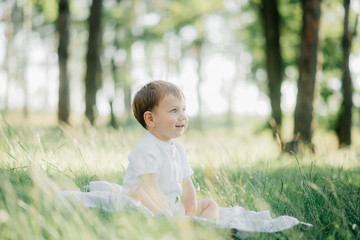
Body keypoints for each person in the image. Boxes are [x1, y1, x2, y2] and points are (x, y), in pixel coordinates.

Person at [122, 80, 219, 221]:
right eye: (174, 110)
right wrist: (166, 212)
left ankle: (201, 226)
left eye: (183, 110)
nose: (182, 116)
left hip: (172, 206)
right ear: (150, 119)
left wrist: (190, 213)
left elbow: (187, 184)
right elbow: (151, 187)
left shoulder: (178, 149)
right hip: (148, 203)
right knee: (137, 193)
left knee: (210, 204)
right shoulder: (146, 148)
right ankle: (169, 221)